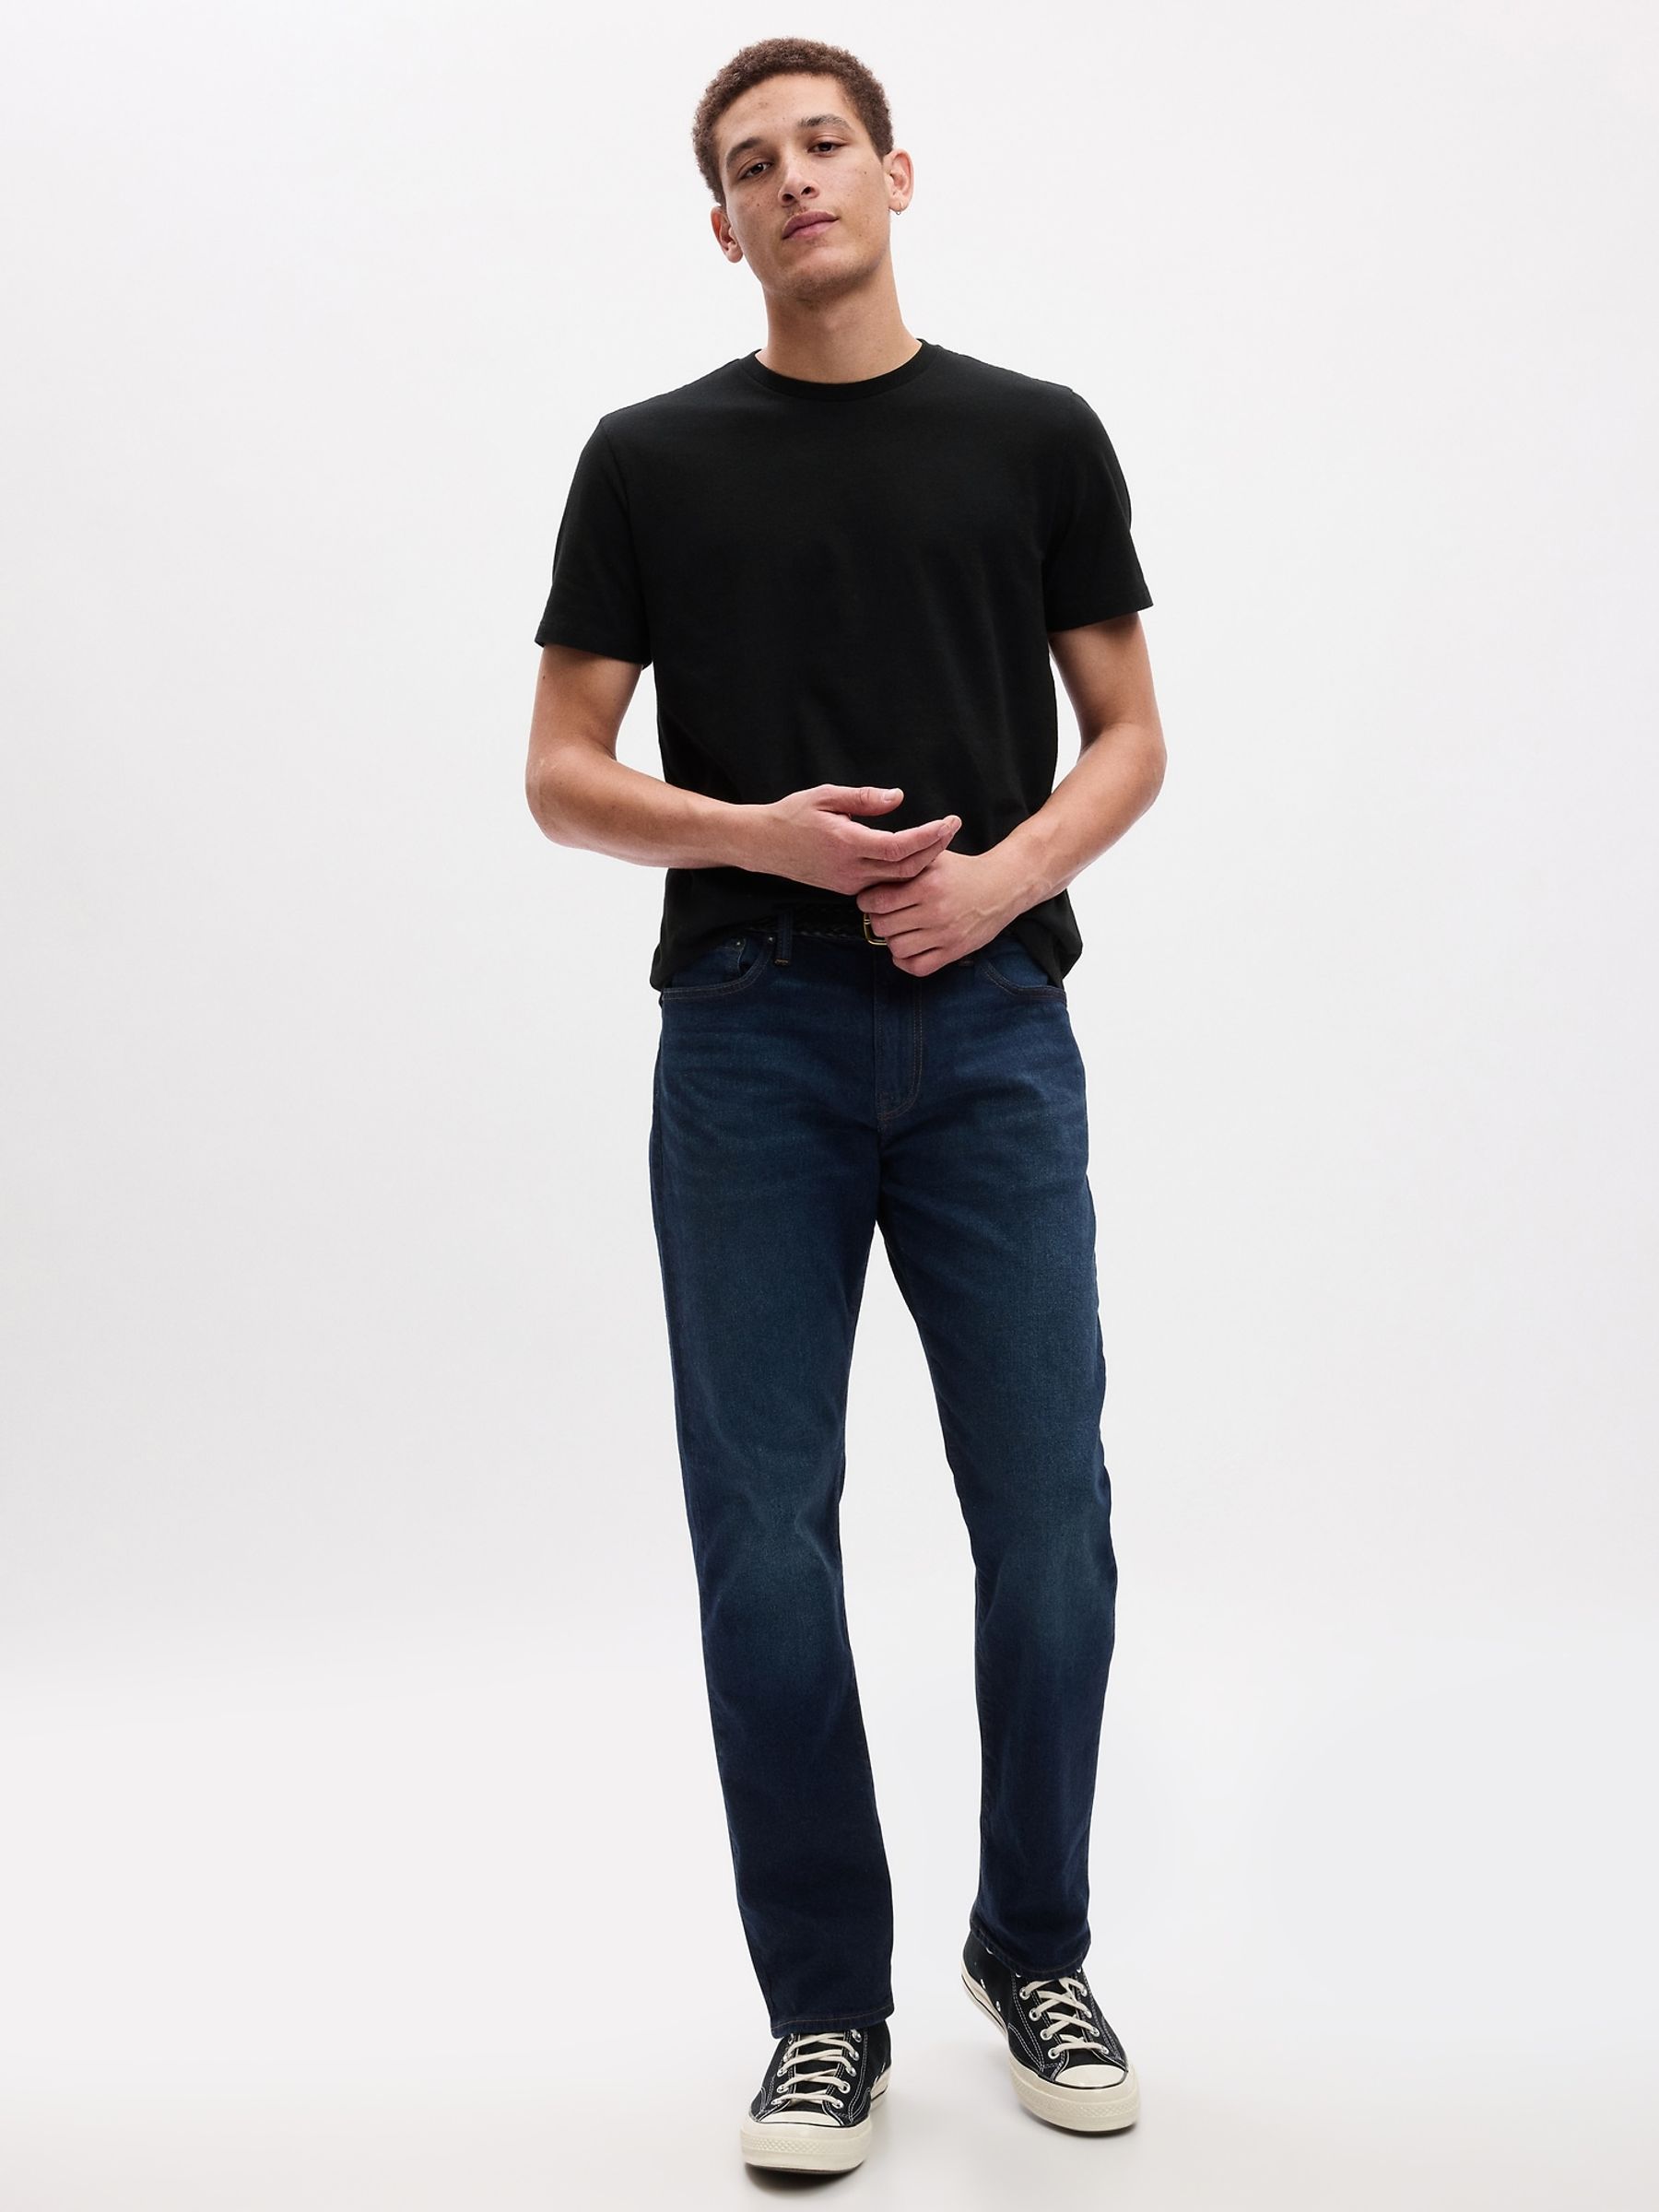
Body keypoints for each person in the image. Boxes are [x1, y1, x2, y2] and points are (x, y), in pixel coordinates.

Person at [524, 36, 1165, 2175]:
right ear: (721, 225)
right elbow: (562, 774)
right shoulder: (648, 460)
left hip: (992, 1034)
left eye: (823, 143)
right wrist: (765, 841)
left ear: (896, 175)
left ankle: (1034, 1946)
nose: (792, 178)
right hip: (751, 1035)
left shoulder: (1034, 435)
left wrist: (1000, 882)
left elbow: (1132, 734)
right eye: (751, 162)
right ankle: (825, 2010)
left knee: (1049, 1521)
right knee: (765, 1538)